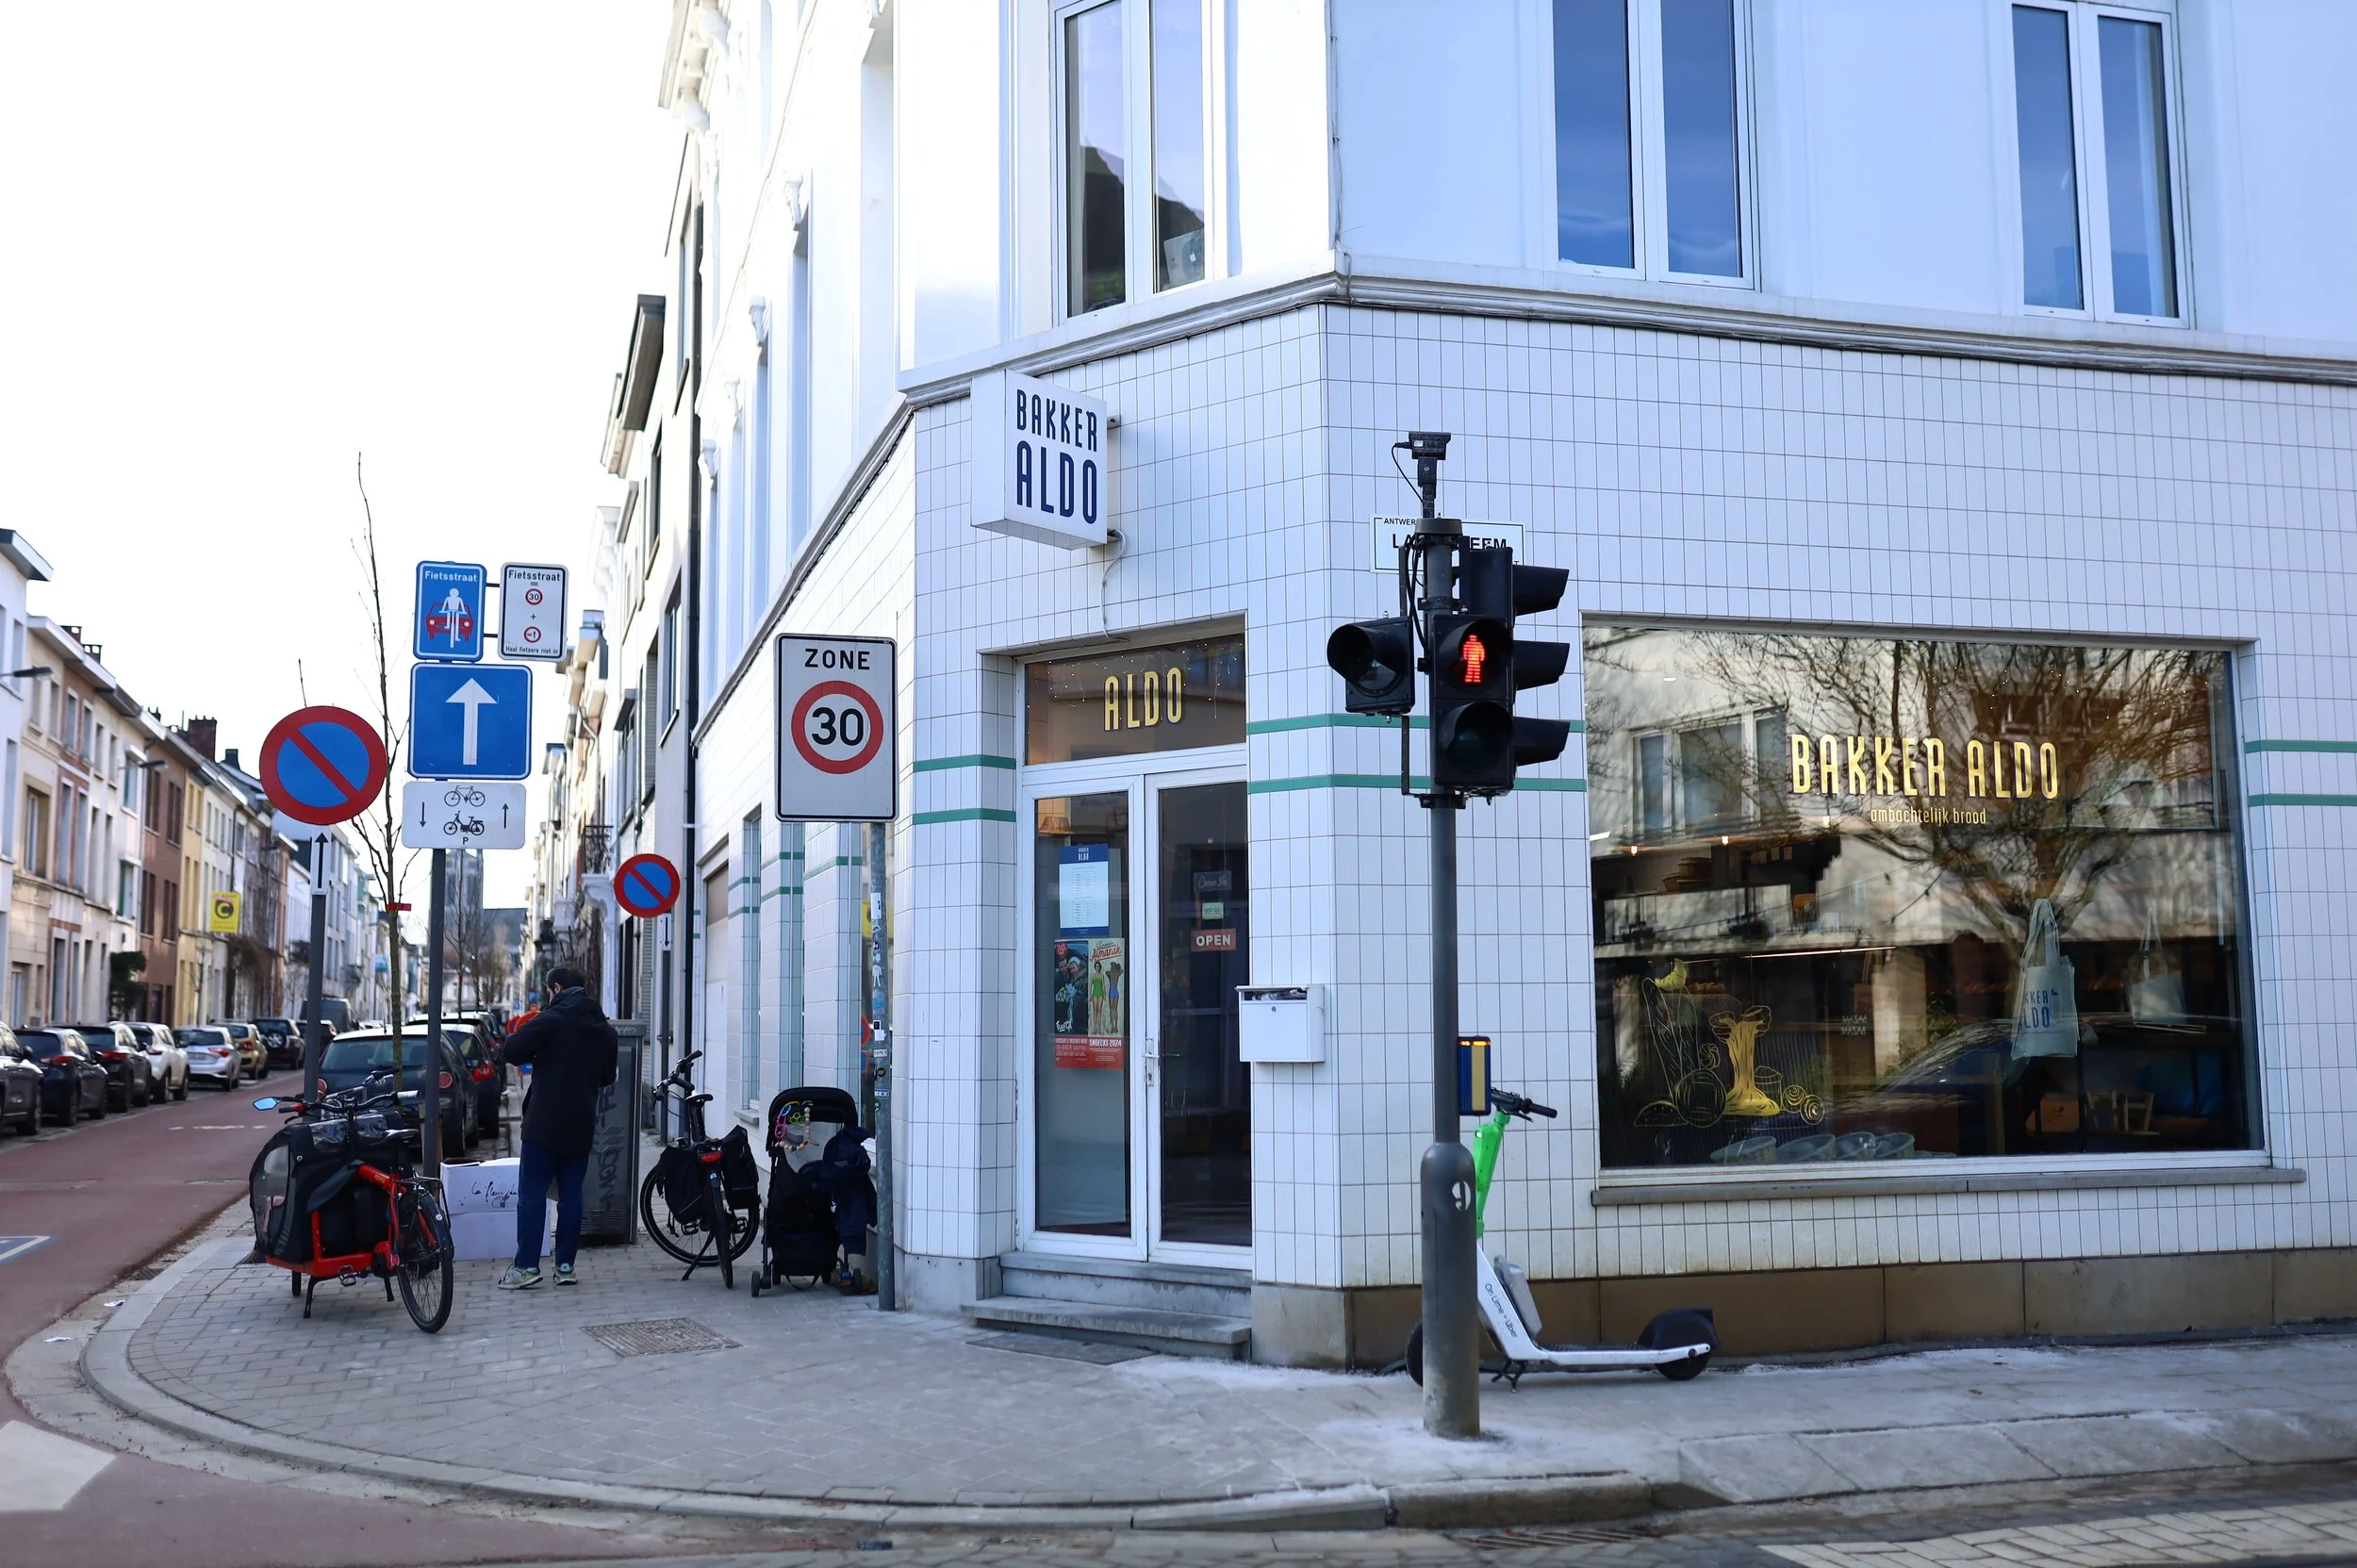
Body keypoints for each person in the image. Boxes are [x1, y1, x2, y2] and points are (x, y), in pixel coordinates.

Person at [494, 966, 618, 1289]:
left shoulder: (550, 1020)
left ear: (557, 988)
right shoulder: (603, 1029)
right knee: (571, 1195)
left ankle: (526, 1267)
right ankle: (565, 1266)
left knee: (532, 1193)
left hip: (544, 1123)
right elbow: (607, 1077)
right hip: (581, 1121)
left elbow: (511, 1050)